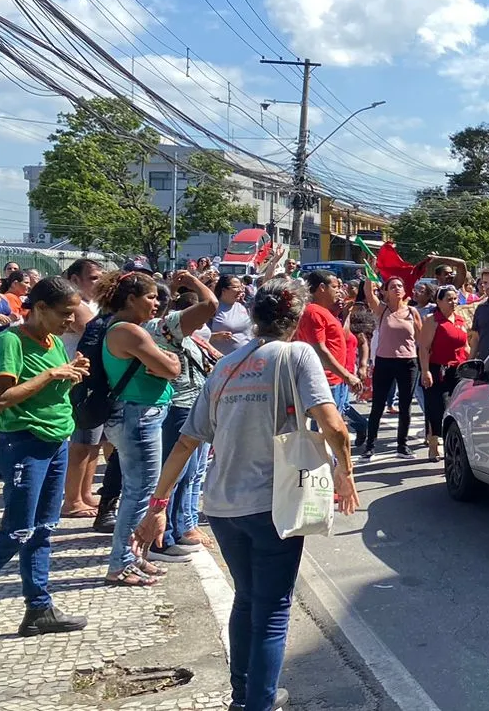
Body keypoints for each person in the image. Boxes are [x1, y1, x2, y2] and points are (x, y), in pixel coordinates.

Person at [136, 279, 358, 711]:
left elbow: (187, 441)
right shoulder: (297, 354)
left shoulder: (225, 365)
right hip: (273, 503)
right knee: (273, 609)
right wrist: (345, 473)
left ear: (254, 318)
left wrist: (158, 504)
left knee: (246, 599)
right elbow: (333, 424)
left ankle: (244, 696)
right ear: (296, 318)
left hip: (221, 505)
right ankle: (259, 702)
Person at [0, 277, 90, 636]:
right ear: (41, 308)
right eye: (65, 314)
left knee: (43, 530)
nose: (70, 321)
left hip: (55, 442)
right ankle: (38, 607)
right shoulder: (10, 341)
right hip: (23, 443)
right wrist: (51, 375)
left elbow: (49, 389)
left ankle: (39, 609)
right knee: (16, 532)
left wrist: (71, 373)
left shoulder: (53, 342)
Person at [98, 271, 184, 588]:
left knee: (140, 489)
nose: (157, 302)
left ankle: (134, 556)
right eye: (150, 296)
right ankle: (120, 562)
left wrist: (167, 361)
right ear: (131, 299)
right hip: (137, 415)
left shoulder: (126, 330)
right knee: (138, 492)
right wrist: (169, 359)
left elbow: (167, 367)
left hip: (140, 413)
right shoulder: (129, 332)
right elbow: (171, 368)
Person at [147, 276, 221, 563]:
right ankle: (160, 540)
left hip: (191, 405)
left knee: (189, 474)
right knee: (175, 475)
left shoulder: (173, 333)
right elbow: (210, 304)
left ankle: (177, 530)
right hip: (179, 406)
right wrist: (191, 280)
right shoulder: (162, 328)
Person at [296, 272, 366, 451]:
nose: (339, 290)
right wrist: (347, 376)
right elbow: (319, 350)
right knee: (327, 434)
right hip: (326, 381)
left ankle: (334, 469)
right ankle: (330, 472)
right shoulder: (313, 312)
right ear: (321, 288)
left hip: (335, 381)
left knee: (332, 430)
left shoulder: (324, 312)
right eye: (334, 286)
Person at [60, 259, 105, 519]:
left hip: (91, 375)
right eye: (93, 278)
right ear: (75, 279)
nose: (98, 283)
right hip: (76, 377)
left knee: (93, 443)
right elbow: (95, 326)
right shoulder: (74, 303)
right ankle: (72, 499)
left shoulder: (91, 303)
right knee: (80, 443)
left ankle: (85, 493)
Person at [362, 277, 422, 461]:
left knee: (405, 406)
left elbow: (421, 340)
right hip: (384, 362)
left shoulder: (412, 312)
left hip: (408, 363)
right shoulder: (382, 310)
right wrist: (369, 273)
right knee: (378, 405)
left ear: (405, 290)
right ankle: (370, 446)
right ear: (385, 292)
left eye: (400, 286)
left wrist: (425, 366)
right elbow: (368, 293)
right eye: (392, 286)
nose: (397, 289)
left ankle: (402, 446)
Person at [416, 285, 469, 462]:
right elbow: (424, 348)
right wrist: (425, 371)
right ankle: (433, 443)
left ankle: (451, 446)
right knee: (437, 408)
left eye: (455, 299)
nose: (453, 302)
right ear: (438, 301)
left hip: (458, 370)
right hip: (437, 369)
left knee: (456, 409)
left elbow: (466, 347)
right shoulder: (433, 320)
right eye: (449, 299)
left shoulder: (460, 320)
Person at [207, 275, 253, 351]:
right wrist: (215, 336)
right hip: (222, 359)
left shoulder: (241, 307)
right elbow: (199, 335)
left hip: (246, 357)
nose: (240, 290)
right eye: (235, 287)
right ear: (223, 290)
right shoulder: (212, 309)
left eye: (241, 287)